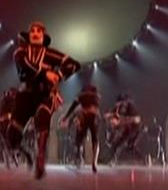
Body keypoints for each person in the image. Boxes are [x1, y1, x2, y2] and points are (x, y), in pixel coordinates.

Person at [6, 21, 81, 179]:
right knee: (11, 139)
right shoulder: (20, 52)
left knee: (43, 115)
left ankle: (40, 156)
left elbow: (74, 64)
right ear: (28, 35)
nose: (35, 33)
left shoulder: (50, 53)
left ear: (43, 36)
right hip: (25, 95)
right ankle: (27, 152)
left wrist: (59, 75)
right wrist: (45, 73)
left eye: (39, 31)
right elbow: (25, 66)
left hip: (45, 94)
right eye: (32, 31)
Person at [60, 84, 101, 173]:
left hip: (85, 116)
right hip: (94, 115)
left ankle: (79, 157)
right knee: (95, 139)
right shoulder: (97, 96)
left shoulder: (81, 95)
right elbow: (97, 108)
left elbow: (73, 106)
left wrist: (66, 117)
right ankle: (94, 162)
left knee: (79, 138)